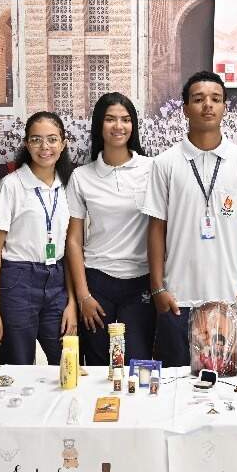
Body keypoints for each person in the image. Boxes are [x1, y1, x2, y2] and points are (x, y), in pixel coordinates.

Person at [142, 71, 237, 367]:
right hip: (178, 297)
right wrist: (158, 287)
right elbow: (156, 228)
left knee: (226, 385)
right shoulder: (165, 163)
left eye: (216, 99)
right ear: (185, 108)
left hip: (228, 297)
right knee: (176, 383)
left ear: (225, 106)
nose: (208, 105)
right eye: (198, 99)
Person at [65, 92, 156, 365]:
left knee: (138, 364)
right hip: (97, 282)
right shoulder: (81, 176)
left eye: (125, 119)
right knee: (98, 365)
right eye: (110, 119)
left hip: (141, 281)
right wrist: (83, 296)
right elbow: (73, 240)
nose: (119, 126)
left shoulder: (152, 169)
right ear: (99, 125)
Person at [0, 111, 78, 364]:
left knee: (66, 362)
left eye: (52, 139)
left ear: (63, 143)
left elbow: (70, 247)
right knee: (18, 363)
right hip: (18, 280)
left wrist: (72, 302)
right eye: (36, 140)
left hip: (57, 279)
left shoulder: (69, 184)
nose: (44, 147)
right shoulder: (12, 184)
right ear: (27, 144)